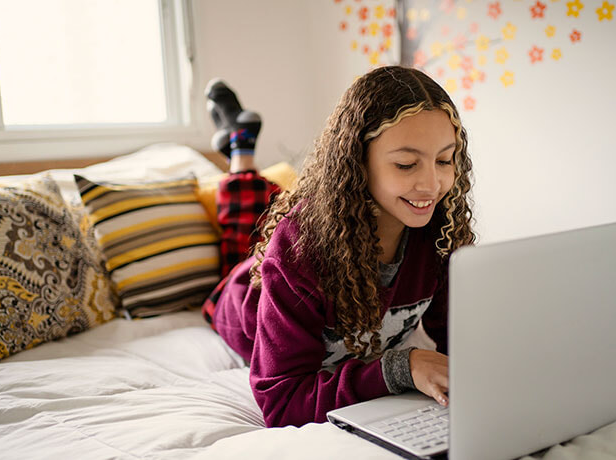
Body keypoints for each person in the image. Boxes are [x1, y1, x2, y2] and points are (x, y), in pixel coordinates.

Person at [202, 66, 476, 428]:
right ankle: (240, 144)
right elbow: (282, 403)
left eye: (445, 160)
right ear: (357, 162)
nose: (432, 183)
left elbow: (462, 342)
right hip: (239, 296)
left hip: (288, 257)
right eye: (406, 164)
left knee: (259, 219)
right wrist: (399, 367)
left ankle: (240, 146)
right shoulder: (298, 248)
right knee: (241, 235)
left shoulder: (440, 231)